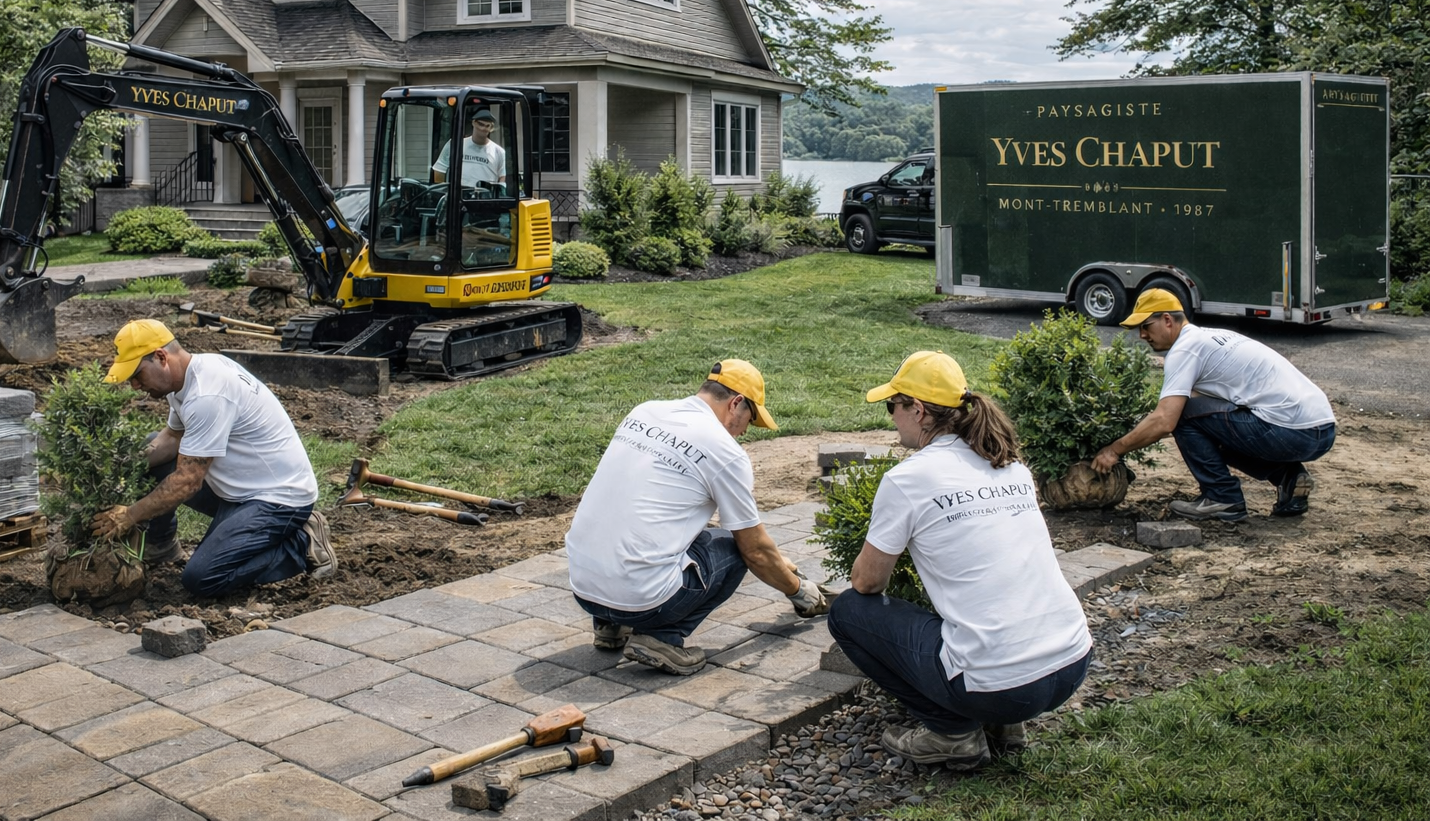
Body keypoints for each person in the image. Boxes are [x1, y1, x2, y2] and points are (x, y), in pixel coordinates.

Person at [828, 351, 1093, 770]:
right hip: (1073, 661)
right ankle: (1005, 725)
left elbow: (867, 583)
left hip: (1004, 686)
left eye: (891, 406)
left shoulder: (909, 479)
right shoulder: (1009, 465)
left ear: (917, 410)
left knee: (848, 611)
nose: (890, 417)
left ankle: (953, 733)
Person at [564, 360, 831, 676]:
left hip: (584, 589)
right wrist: (798, 590)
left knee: (641, 523)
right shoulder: (725, 452)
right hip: (642, 600)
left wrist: (777, 558)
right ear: (736, 403)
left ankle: (609, 627)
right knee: (735, 549)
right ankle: (661, 638)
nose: (745, 431)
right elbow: (755, 551)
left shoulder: (644, 412)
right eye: (750, 419)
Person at [89, 319, 337, 596]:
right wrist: (119, 466)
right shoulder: (185, 379)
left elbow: (186, 483)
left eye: (138, 375)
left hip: (278, 499)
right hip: (239, 489)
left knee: (203, 578)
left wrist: (130, 515)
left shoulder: (207, 394)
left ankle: (302, 543)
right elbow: (171, 438)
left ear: (161, 357)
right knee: (149, 451)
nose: (135, 386)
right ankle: (160, 546)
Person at [1091, 289, 1336, 522]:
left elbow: (1167, 420)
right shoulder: (1211, 337)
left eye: (1145, 326)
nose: (1142, 335)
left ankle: (1221, 497)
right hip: (1322, 431)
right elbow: (1203, 408)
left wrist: (1115, 449)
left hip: (1290, 432)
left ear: (1167, 320)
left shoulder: (1184, 350)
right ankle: (1290, 478)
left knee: (1184, 417)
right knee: (1207, 425)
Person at [432, 108, 505, 188]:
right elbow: (439, 169)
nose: (483, 128)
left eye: (487, 126)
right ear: (473, 123)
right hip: (458, 195)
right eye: (480, 124)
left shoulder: (498, 151)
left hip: (486, 197)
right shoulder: (455, 144)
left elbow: (502, 177)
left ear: (491, 128)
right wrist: (443, 192)